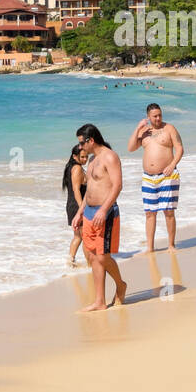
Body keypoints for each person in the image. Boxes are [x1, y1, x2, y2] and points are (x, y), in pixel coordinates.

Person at [74, 124, 127, 311]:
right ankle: (100, 301)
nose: (80, 147)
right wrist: (79, 213)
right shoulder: (92, 160)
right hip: (89, 213)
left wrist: (104, 210)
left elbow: (117, 186)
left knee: (103, 256)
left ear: (91, 140)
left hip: (105, 213)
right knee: (93, 257)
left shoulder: (110, 157)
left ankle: (120, 285)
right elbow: (89, 189)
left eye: (81, 143)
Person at [128, 103, 184, 251]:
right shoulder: (144, 132)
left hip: (167, 176)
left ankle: (171, 245)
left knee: (169, 211)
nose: (158, 118)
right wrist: (138, 128)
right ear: (148, 117)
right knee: (149, 213)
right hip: (148, 178)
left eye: (160, 115)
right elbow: (131, 148)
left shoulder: (169, 128)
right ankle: (150, 248)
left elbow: (179, 148)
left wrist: (172, 164)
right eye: (155, 116)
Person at [62, 143, 88, 266]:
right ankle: (91, 264)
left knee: (78, 237)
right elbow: (77, 190)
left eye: (86, 156)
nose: (85, 159)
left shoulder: (70, 167)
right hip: (77, 206)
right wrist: (81, 209)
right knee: (85, 237)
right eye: (82, 157)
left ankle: (70, 260)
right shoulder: (77, 168)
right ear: (74, 156)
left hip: (71, 205)